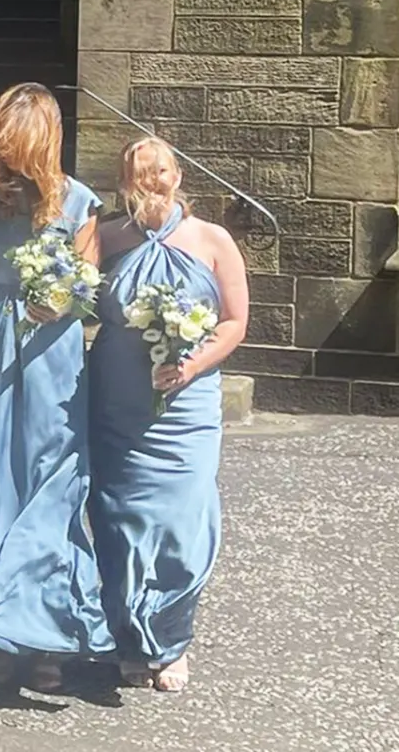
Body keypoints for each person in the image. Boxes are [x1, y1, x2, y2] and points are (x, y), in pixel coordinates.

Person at [0, 83, 113, 690]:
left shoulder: (77, 202)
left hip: (50, 355)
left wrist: (62, 299)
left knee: (50, 487)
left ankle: (47, 634)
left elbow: (88, 285)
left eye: (17, 151)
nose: (8, 165)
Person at [90, 137, 249, 693]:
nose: (151, 182)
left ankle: (173, 639)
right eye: (139, 174)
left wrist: (192, 363)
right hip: (118, 400)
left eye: (160, 171)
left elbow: (234, 322)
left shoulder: (213, 239)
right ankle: (129, 638)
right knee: (120, 520)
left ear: (178, 175)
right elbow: (75, 300)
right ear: (123, 181)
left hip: (188, 404)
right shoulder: (106, 236)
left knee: (184, 522)